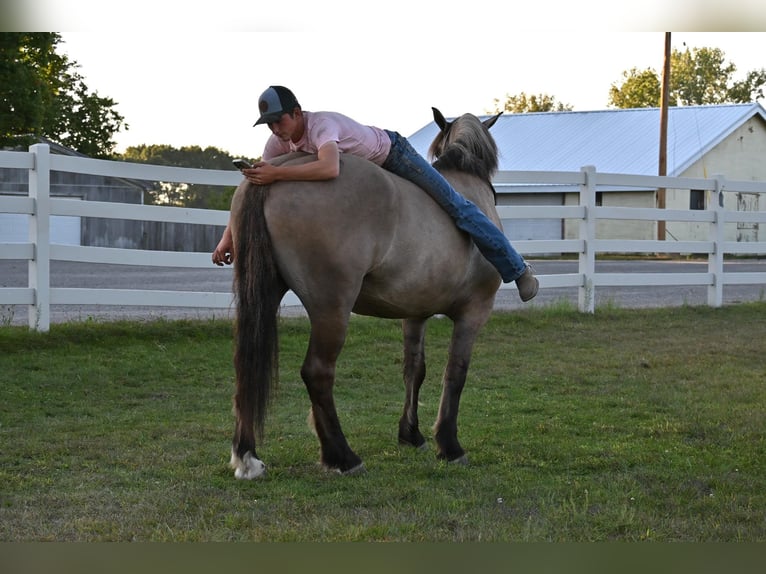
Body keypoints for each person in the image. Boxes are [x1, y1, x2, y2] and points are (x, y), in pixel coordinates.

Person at [212, 86, 538, 302]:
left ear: (297, 113)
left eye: (278, 121)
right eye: (268, 125)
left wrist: (277, 173)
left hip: (393, 155)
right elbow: (256, 185)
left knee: (455, 204)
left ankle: (516, 269)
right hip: (366, 174)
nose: (275, 129)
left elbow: (329, 169)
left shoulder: (321, 126)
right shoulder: (278, 143)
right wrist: (229, 238)